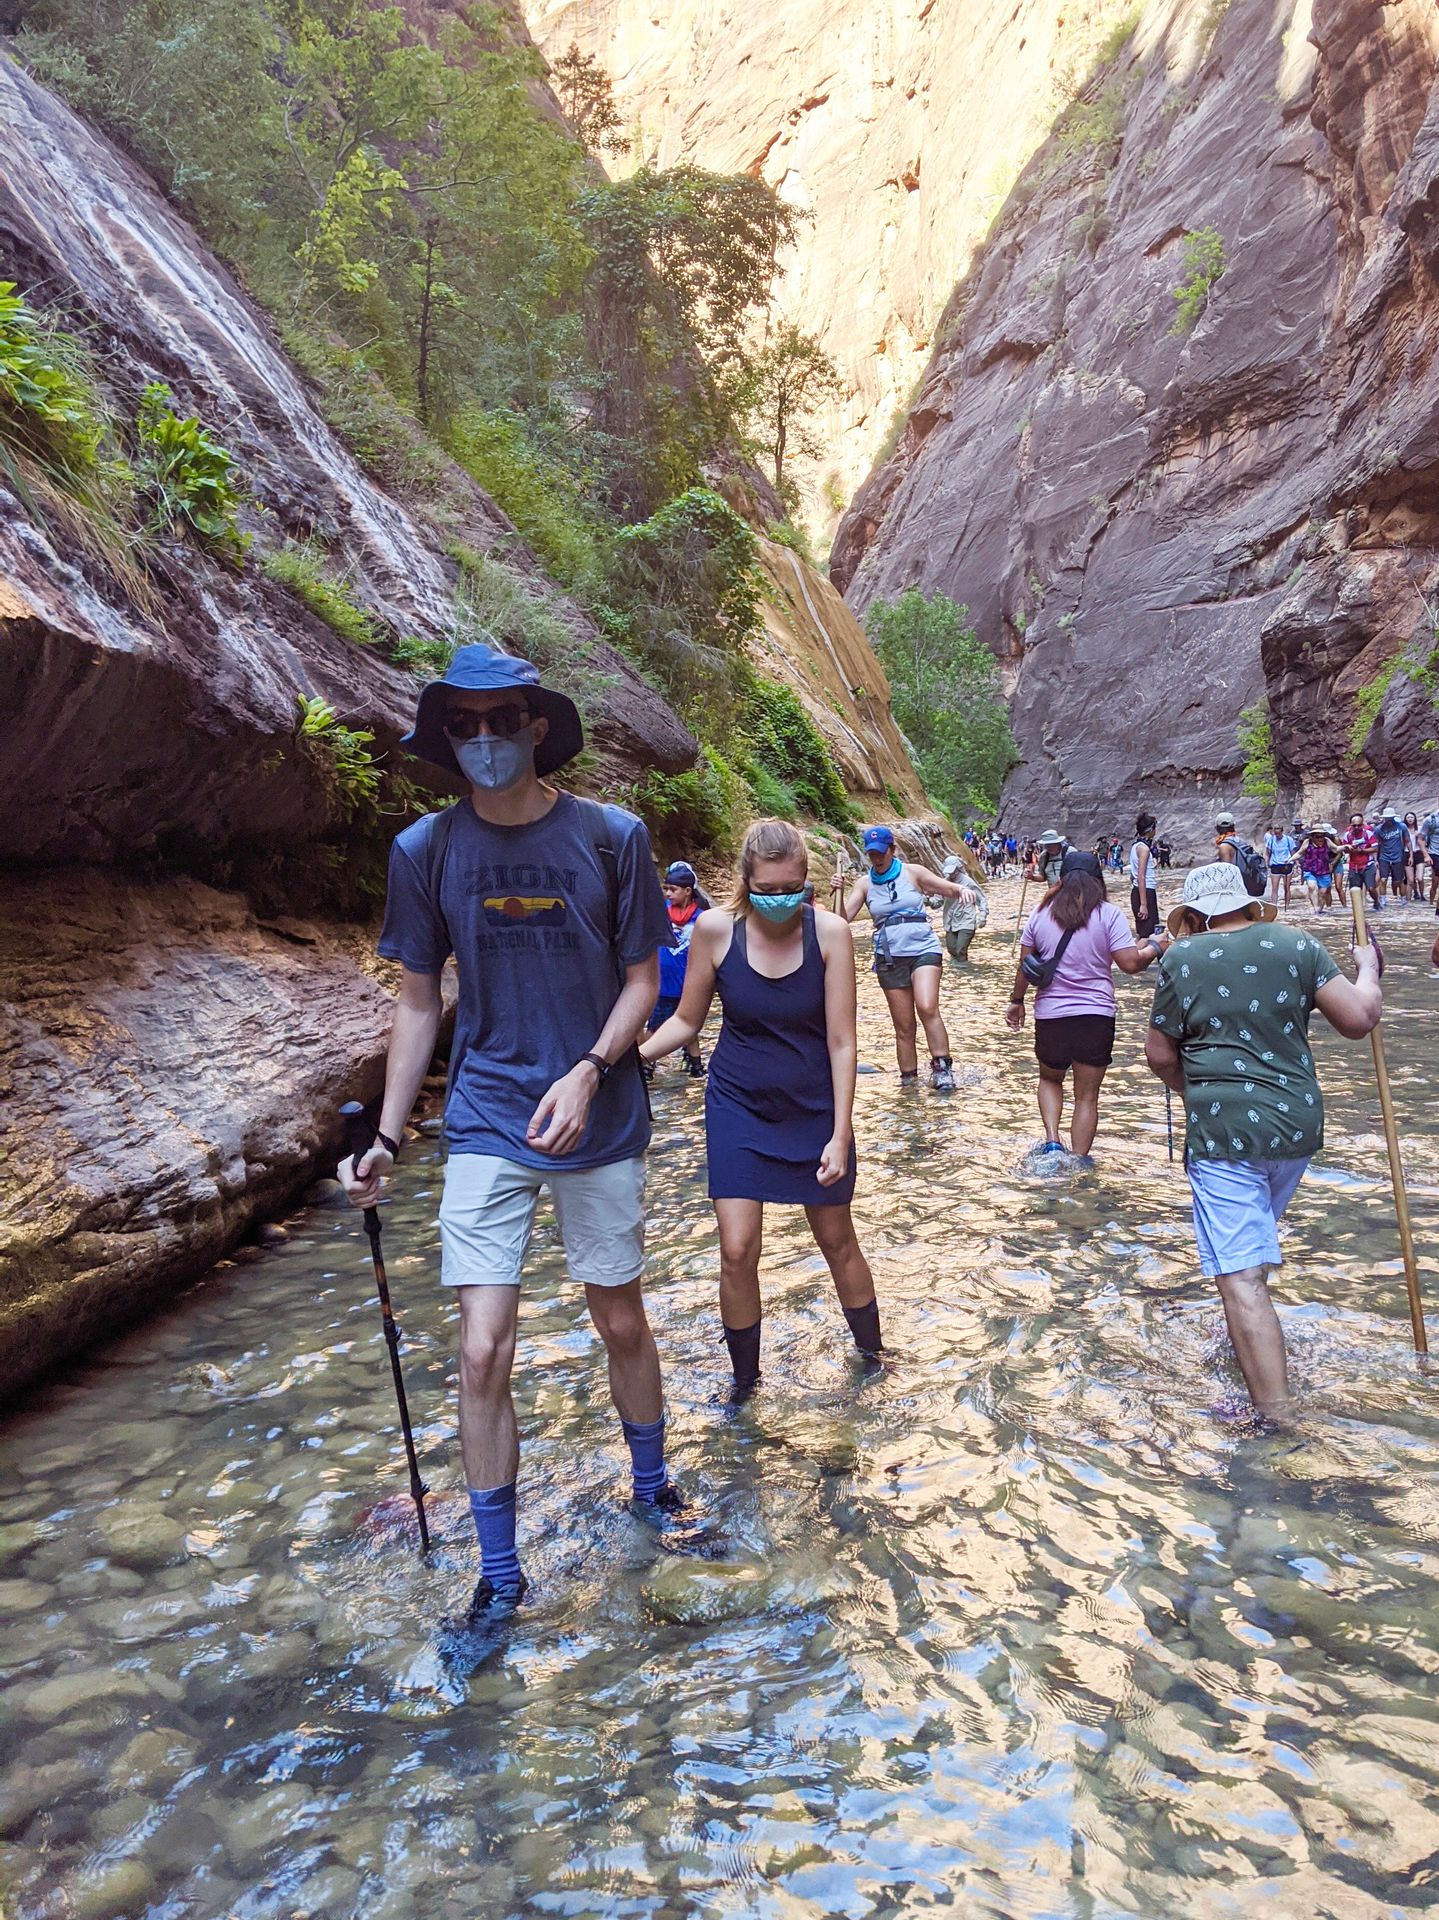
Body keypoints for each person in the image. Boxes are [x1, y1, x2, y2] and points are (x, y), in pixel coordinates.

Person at [339, 642, 680, 1634]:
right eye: (464, 726)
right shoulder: (423, 852)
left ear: (537, 726)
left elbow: (640, 981)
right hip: (486, 1113)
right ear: (448, 738)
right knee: (482, 1352)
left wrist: (589, 1068)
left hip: (598, 1111)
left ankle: (651, 1484)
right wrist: (389, 1140)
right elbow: (416, 1002)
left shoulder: (615, 838)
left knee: (618, 1320)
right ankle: (498, 1574)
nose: (484, 740)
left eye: (501, 721)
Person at [641, 819, 879, 1399]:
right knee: (737, 1248)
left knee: (836, 1237)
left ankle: (874, 1359)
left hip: (814, 1105)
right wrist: (619, 1060)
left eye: (792, 887)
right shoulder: (716, 933)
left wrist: (841, 1133)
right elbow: (685, 1021)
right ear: (745, 883)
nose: (781, 899)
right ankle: (744, 1384)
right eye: (768, 889)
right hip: (738, 1105)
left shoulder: (830, 934)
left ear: (807, 882)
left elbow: (842, 1040)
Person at [1144, 862, 1382, 1421]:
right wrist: (1368, 968)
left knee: (1242, 1275)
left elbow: (1159, 1054)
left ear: (1195, 917)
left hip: (1224, 1132)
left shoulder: (1181, 957)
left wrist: (1197, 1090)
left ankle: (1277, 1420)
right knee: (1250, 1254)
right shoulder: (1297, 944)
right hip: (1295, 1128)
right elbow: (1359, 1018)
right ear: (1250, 905)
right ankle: (1250, 1347)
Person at [1005, 849, 1168, 1162]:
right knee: (1087, 1096)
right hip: (1095, 1015)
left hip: (1051, 1015)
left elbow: (1026, 964)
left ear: (1062, 878)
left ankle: (1053, 1141)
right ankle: (1078, 1160)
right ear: (1098, 880)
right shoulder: (1108, 914)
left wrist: (1017, 1001)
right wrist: (1154, 948)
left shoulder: (1041, 914)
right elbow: (1131, 964)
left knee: (1050, 1079)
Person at [844, 824, 975, 1090]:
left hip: (923, 949)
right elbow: (841, 919)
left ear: (892, 849)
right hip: (889, 956)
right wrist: (836, 891)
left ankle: (941, 1068)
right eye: (872, 854)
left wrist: (963, 891)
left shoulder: (912, 873)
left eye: (881, 852)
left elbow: (947, 888)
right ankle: (909, 1082)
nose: (877, 858)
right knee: (903, 1025)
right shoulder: (864, 884)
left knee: (927, 1006)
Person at [645, 860, 708, 1080]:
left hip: (686, 983)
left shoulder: (701, 918)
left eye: (673, 890)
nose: (668, 894)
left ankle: (696, 1065)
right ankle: (646, 1065)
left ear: (688, 891)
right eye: (666, 889)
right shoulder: (661, 913)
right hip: (662, 982)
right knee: (654, 1026)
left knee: (690, 1027)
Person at [941, 853, 988, 960]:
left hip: (967, 920)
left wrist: (982, 915)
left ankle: (965, 970)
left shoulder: (968, 882)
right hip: (950, 922)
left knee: (960, 950)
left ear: (958, 869)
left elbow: (981, 899)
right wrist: (928, 901)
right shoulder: (944, 883)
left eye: (953, 872)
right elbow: (938, 901)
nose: (951, 875)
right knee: (951, 950)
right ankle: (957, 972)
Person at [1129, 811, 1160, 939]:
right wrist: (1143, 904)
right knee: (1148, 935)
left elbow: (1132, 876)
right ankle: (1134, 958)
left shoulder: (1135, 846)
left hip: (1138, 891)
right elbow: (1141, 876)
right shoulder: (1144, 849)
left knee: (1145, 932)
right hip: (1145, 892)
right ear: (1150, 829)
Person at [1341, 810, 1380, 909]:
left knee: (1371, 887)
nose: (1357, 827)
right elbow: (1345, 850)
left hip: (1368, 864)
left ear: (1362, 824)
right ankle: (1357, 909)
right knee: (1355, 889)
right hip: (1354, 866)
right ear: (1351, 825)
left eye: (1359, 825)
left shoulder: (1369, 834)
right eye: (1354, 825)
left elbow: (1375, 848)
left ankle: (1376, 901)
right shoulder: (1347, 835)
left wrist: (1361, 850)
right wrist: (1350, 848)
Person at [1299, 823, 1340, 912]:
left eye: (1321, 836)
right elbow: (1300, 852)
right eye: (1317, 836)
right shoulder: (1307, 842)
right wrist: (1291, 860)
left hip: (1326, 867)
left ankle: (1322, 909)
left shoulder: (1331, 840)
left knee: (1324, 892)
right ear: (1312, 836)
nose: (1320, 838)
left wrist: (1345, 847)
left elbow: (1337, 850)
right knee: (1312, 887)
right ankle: (1315, 908)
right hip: (1311, 867)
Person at [1374, 805, 1408, 901]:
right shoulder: (1378, 829)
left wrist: (1410, 855)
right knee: (1383, 879)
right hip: (1384, 856)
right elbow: (1376, 845)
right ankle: (1383, 900)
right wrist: (1376, 859)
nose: (1389, 820)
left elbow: (1407, 841)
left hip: (1398, 856)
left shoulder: (1401, 826)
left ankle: (1403, 900)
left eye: (1390, 818)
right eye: (1387, 818)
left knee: (1399, 880)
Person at [1264, 819, 1298, 911]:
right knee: (1274, 887)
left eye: (1278, 833)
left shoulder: (1288, 840)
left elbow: (1293, 852)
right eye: (1275, 833)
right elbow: (1267, 853)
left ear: (1282, 832)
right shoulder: (1271, 840)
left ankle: (1287, 906)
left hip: (1286, 865)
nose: (1277, 835)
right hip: (1275, 865)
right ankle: (1274, 906)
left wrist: (1296, 863)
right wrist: (1266, 864)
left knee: (1286, 887)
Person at [1403, 810, 1426, 904]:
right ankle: (1407, 902)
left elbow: (1425, 841)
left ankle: (1422, 895)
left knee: (1420, 878)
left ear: (1415, 819)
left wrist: (1420, 836)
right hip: (1406, 853)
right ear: (1405, 819)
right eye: (1408, 817)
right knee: (1410, 880)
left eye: (1412, 817)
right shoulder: (1403, 829)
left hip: (1419, 853)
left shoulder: (1420, 829)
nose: (1410, 819)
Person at [1423, 803, 1439, 906]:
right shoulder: (1431, 820)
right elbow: (1421, 838)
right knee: (1435, 882)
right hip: (1435, 853)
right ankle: (1431, 903)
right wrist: (1426, 855)